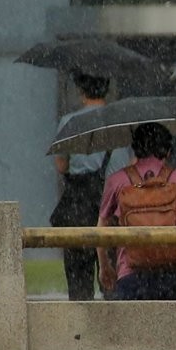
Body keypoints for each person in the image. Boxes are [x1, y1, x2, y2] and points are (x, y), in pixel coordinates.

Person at [52, 73, 132, 300]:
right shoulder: (119, 120)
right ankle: (113, 326)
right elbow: (128, 165)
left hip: (78, 205)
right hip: (113, 204)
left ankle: (80, 329)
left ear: (82, 93)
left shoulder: (70, 122)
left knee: (78, 278)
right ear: (106, 90)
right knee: (113, 278)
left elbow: (61, 165)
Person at [97, 123, 176, 301]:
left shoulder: (117, 180)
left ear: (135, 148)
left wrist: (105, 267)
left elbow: (102, 225)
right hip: (173, 274)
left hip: (130, 274)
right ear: (168, 150)